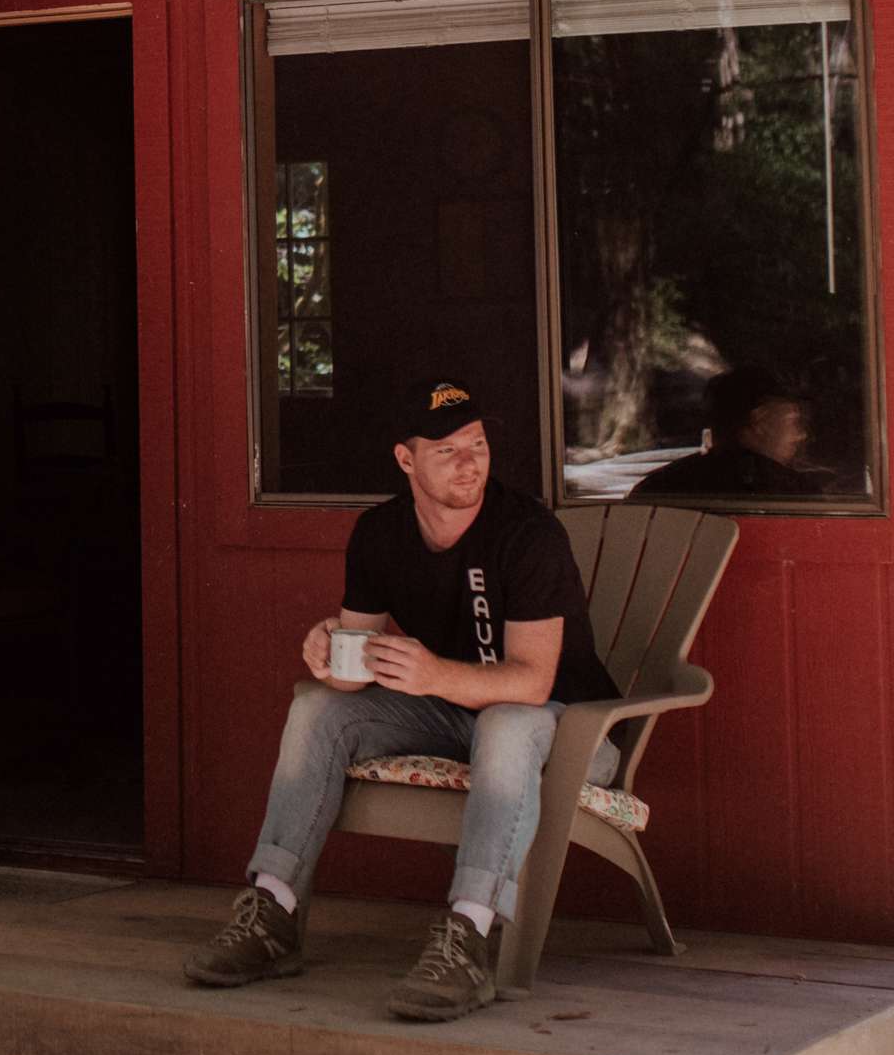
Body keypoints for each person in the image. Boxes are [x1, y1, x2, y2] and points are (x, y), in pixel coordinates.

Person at [186, 375, 620, 1021]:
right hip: (451, 713)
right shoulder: (381, 532)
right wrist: (328, 651)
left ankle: (469, 936)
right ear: (406, 459)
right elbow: (352, 670)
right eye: (446, 450)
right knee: (317, 707)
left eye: (476, 443)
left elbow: (531, 681)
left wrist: (432, 675)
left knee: (504, 722)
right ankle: (272, 912)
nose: (469, 460)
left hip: (568, 729)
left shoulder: (527, 532)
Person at [627, 368, 831, 501]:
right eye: (793, 422)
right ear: (759, 421)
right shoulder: (797, 495)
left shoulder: (655, 489)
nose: (801, 435)